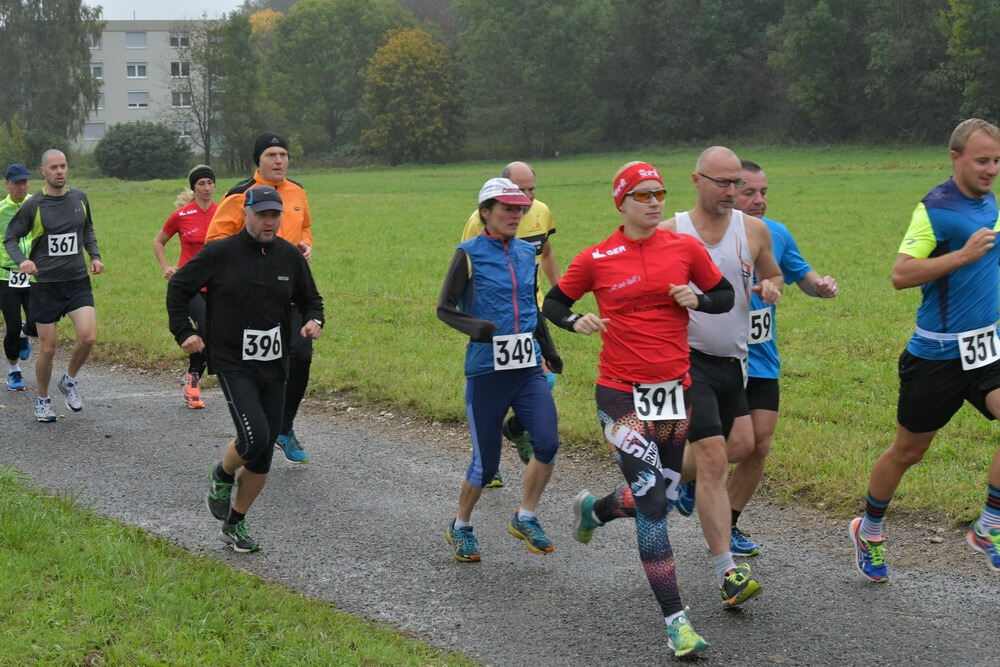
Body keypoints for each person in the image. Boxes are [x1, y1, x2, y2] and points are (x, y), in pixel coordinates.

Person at [546, 161, 733, 657]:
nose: (655, 202)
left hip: (676, 391)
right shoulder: (596, 258)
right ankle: (677, 624)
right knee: (654, 504)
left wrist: (698, 298)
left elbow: (725, 295)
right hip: (620, 394)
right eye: (644, 194)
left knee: (663, 496)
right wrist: (576, 321)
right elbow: (553, 303)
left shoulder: (685, 248)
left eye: (660, 193)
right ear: (622, 202)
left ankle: (597, 508)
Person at [850, 118, 1000, 580]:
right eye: (981, 160)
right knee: (908, 452)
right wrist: (962, 256)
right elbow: (901, 273)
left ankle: (988, 526)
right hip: (935, 357)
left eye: (996, 160)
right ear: (955, 157)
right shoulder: (934, 209)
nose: (991, 169)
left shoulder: (988, 200)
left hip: (986, 350)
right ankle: (869, 528)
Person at [167, 185, 324, 553]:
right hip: (234, 362)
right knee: (254, 439)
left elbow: (312, 299)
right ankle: (221, 473)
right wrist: (183, 332)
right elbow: (179, 287)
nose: (270, 221)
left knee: (264, 451)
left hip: (274, 362)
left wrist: (315, 319)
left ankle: (234, 523)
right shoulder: (220, 253)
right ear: (246, 215)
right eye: (263, 215)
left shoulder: (289, 257)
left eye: (275, 215)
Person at [658, 146, 783, 605]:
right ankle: (727, 573)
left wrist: (771, 286)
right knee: (713, 458)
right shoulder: (671, 231)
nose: (733, 192)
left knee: (744, 445)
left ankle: (660, 479)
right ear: (697, 180)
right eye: (723, 183)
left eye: (738, 184)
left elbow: (773, 277)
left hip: (734, 360)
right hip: (685, 361)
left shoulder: (754, 231)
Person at [437, 177, 562, 562]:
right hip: (486, 373)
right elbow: (445, 308)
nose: (516, 214)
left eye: (519, 208)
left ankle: (526, 515)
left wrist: (550, 350)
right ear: (485, 213)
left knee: (547, 442)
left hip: (526, 369)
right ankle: (461, 525)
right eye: (507, 208)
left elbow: (531, 308)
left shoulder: (527, 254)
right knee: (486, 463)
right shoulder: (469, 253)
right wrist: (478, 329)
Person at [724, 160, 838, 556]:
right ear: (727, 190)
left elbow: (802, 276)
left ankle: (728, 523)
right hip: (717, 357)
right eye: (749, 192)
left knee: (760, 444)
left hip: (761, 358)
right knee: (727, 445)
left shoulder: (776, 234)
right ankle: (689, 479)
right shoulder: (705, 237)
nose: (759, 201)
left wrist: (820, 286)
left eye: (763, 192)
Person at [205, 131, 315, 463]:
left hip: (289, 291)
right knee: (261, 365)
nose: (279, 160)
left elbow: (305, 226)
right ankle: (255, 427)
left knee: (302, 355)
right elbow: (215, 240)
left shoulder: (297, 192)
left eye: (283, 154)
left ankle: (284, 426)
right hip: (250, 300)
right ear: (259, 160)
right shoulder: (240, 195)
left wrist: (306, 243)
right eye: (272, 155)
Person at [461, 161, 561, 486]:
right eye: (521, 191)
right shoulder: (478, 224)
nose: (528, 199)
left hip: (532, 309)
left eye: (533, 190)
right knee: (498, 386)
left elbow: (545, 253)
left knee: (545, 381)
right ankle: (490, 456)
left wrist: (558, 290)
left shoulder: (541, 212)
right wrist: (475, 322)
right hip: (497, 321)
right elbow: (472, 268)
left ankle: (517, 429)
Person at [3, 149, 103, 422]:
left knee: (88, 336)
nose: (59, 171)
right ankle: (43, 400)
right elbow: (10, 238)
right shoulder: (33, 205)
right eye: (54, 167)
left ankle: (69, 380)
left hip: (77, 281)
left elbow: (87, 229)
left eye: (63, 166)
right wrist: (23, 260)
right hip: (45, 285)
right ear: (43, 172)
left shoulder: (79, 198)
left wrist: (94, 255)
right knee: (47, 348)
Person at [153, 164, 218, 409]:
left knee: (214, 332)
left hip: (216, 284)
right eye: (201, 184)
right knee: (203, 325)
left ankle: (192, 377)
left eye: (210, 183)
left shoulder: (222, 213)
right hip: (189, 284)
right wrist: (166, 267)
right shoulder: (181, 216)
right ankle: (193, 383)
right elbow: (159, 242)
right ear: (194, 187)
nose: (206, 188)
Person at [1, 163, 34, 390]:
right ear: (7, 184)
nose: (22, 187)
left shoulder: (36, 204)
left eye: (25, 182)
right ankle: (14, 371)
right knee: (12, 326)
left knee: (38, 323)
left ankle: (25, 333)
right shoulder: (1, 210)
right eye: (17, 183)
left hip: (34, 275)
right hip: (6, 275)